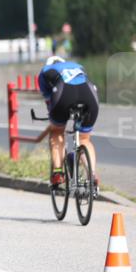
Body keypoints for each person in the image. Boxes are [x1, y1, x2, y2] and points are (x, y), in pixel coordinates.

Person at [37, 55, 99, 191]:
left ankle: (58, 173)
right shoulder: (78, 66)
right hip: (89, 94)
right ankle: (92, 175)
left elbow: (49, 101)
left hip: (64, 93)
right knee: (84, 139)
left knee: (56, 132)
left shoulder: (45, 71)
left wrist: (55, 120)